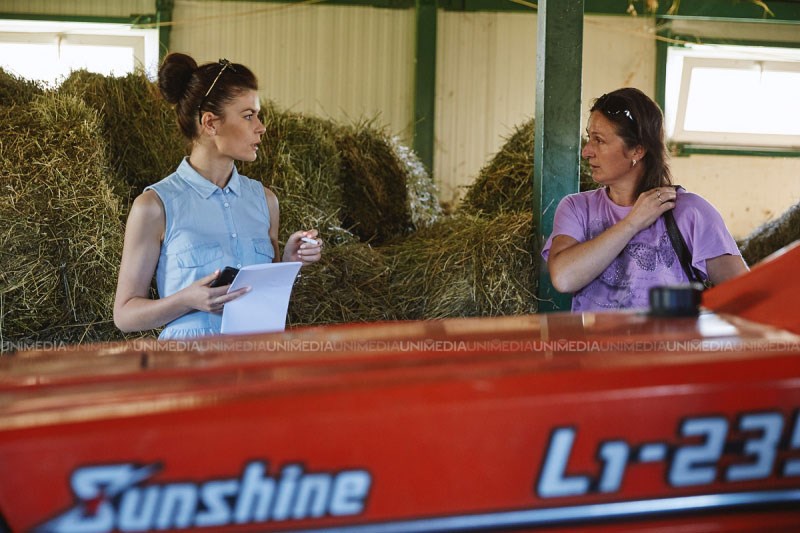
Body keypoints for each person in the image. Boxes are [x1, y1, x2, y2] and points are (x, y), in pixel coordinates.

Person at [114, 53, 322, 339]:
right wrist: (185, 300)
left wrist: (290, 261)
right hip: (186, 363)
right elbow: (125, 315)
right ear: (210, 123)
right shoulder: (155, 206)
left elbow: (265, 298)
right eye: (248, 116)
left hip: (257, 358)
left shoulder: (265, 201)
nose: (261, 126)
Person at [542, 87, 747, 312]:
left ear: (637, 151)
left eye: (599, 140)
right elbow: (564, 279)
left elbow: (745, 292)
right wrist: (632, 223)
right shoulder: (577, 208)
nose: (586, 151)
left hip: (668, 337)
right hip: (593, 337)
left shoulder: (690, 212)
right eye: (589, 138)